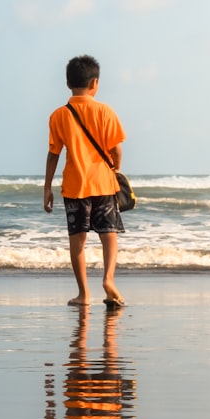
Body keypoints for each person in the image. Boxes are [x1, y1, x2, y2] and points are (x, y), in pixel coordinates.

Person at [44, 55, 127, 307]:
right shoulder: (105, 111)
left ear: (68, 83)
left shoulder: (59, 115)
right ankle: (109, 279)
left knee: (77, 240)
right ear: (95, 84)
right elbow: (116, 149)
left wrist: (47, 187)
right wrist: (116, 167)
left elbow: (53, 154)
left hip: (74, 185)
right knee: (109, 235)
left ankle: (83, 294)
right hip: (103, 183)